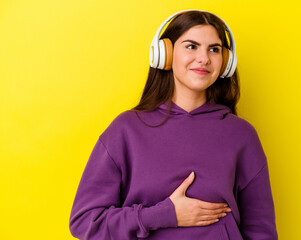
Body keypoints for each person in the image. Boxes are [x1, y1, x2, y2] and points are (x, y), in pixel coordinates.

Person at [69, 9, 278, 240]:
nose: (204, 58)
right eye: (191, 46)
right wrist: (165, 215)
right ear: (165, 54)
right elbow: (85, 222)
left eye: (214, 49)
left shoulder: (241, 135)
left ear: (225, 62)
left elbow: (261, 231)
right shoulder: (126, 130)